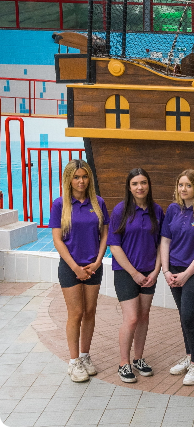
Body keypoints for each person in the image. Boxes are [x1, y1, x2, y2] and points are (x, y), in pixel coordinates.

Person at [50, 160, 109, 382]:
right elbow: (57, 239)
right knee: (75, 313)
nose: (81, 181)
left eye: (84, 176)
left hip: (94, 266)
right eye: (76, 177)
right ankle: (73, 362)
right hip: (70, 267)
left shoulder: (98, 202)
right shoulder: (60, 205)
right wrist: (75, 267)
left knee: (90, 311)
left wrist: (97, 261)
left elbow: (105, 235)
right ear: (68, 179)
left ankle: (85, 356)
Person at [108, 168, 164, 383]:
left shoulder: (156, 211)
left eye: (143, 183)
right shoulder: (121, 211)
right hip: (126, 273)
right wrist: (134, 273)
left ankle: (138, 358)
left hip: (149, 273)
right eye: (135, 184)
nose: (140, 187)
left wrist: (156, 270)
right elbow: (114, 246)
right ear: (129, 187)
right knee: (131, 318)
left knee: (143, 317)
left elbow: (161, 244)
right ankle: (124, 362)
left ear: (149, 185)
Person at [161, 169, 194, 386]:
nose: (184, 189)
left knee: (189, 317)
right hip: (173, 270)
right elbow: (165, 241)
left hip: (193, 271)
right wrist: (166, 271)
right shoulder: (173, 210)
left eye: (188, 185)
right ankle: (189, 355)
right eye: (181, 185)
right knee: (183, 315)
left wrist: (185, 274)